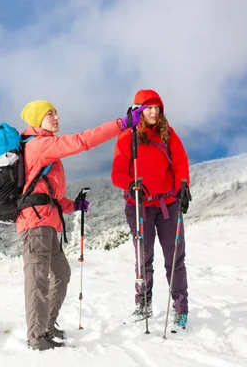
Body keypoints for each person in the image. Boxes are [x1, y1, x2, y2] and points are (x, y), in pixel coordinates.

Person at [18, 99, 146, 350]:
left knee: (61, 274)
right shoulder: (41, 144)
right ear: (37, 120)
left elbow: (47, 196)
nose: (56, 117)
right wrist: (121, 124)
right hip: (36, 225)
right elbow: (82, 141)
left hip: (45, 222)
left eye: (56, 112)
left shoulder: (41, 146)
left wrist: (73, 205)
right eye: (50, 114)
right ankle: (36, 337)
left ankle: (47, 324)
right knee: (38, 280)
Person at [111, 89, 191, 329]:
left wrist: (183, 185)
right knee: (143, 259)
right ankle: (143, 304)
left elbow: (180, 162)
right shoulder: (128, 136)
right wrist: (130, 184)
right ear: (139, 110)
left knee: (175, 258)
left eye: (157, 107)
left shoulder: (168, 134)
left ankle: (180, 308)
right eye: (149, 107)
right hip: (139, 207)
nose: (154, 112)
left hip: (168, 204)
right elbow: (117, 173)